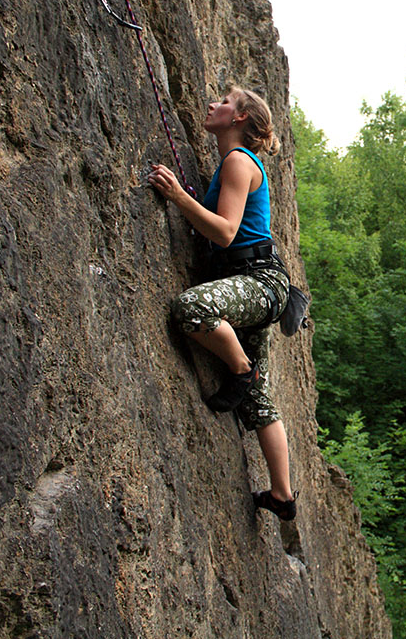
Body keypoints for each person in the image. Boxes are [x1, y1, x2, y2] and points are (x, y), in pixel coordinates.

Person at [147, 87, 297, 521]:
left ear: (240, 118)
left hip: (257, 282)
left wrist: (178, 196)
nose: (213, 104)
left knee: (190, 310)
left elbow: (227, 232)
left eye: (225, 101)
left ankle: (240, 370)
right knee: (259, 404)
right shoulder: (230, 165)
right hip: (256, 285)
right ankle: (282, 496)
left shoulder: (237, 161)